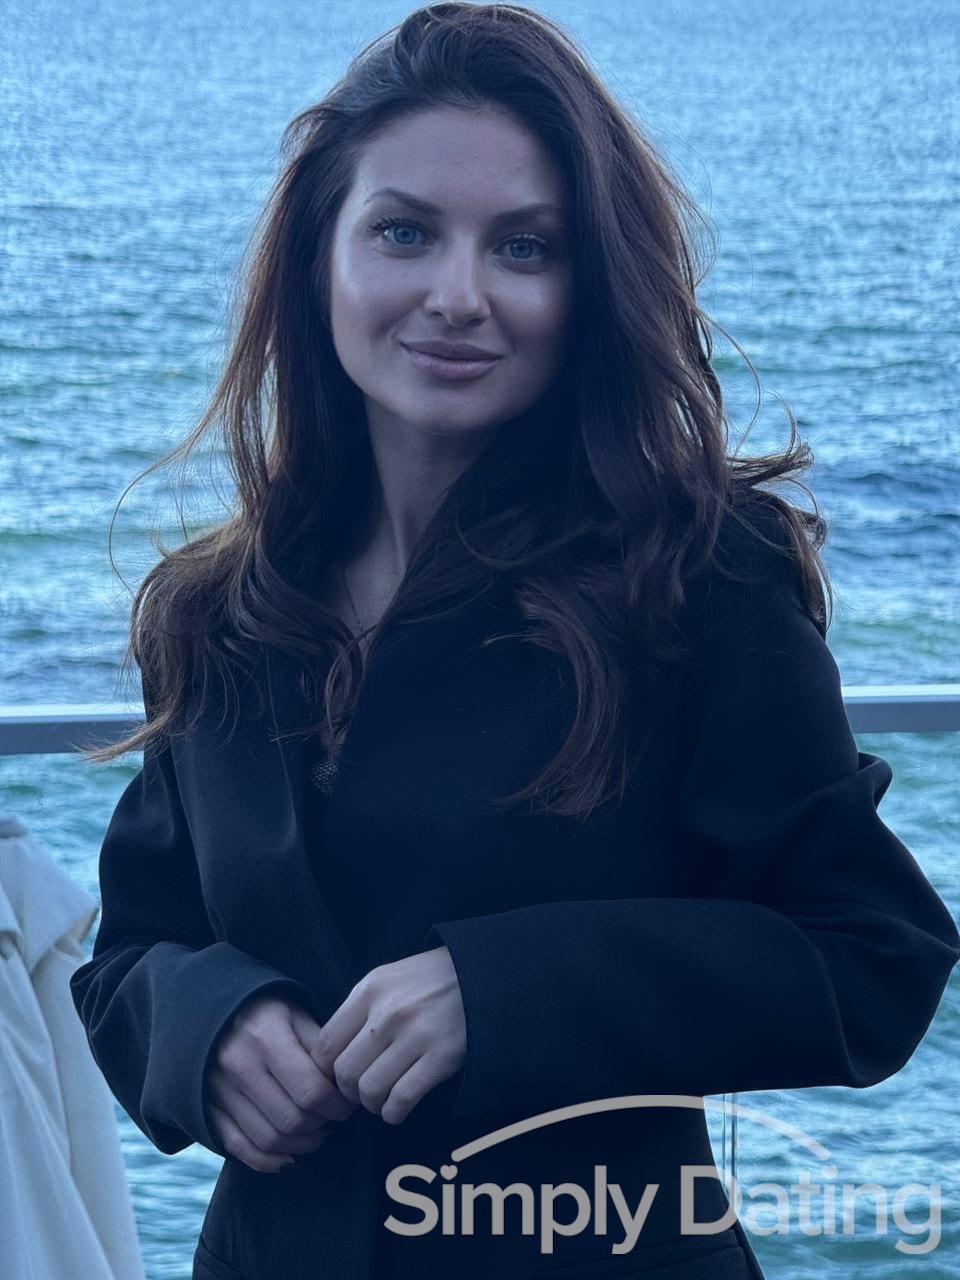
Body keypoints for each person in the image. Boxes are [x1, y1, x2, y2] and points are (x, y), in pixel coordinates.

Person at [70, 4, 960, 1279]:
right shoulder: (215, 607)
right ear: (320, 255)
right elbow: (126, 954)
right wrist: (204, 1027)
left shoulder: (697, 574)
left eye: (525, 246)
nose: (458, 295)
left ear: (589, 286)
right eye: (404, 231)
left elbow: (870, 953)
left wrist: (506, 989)